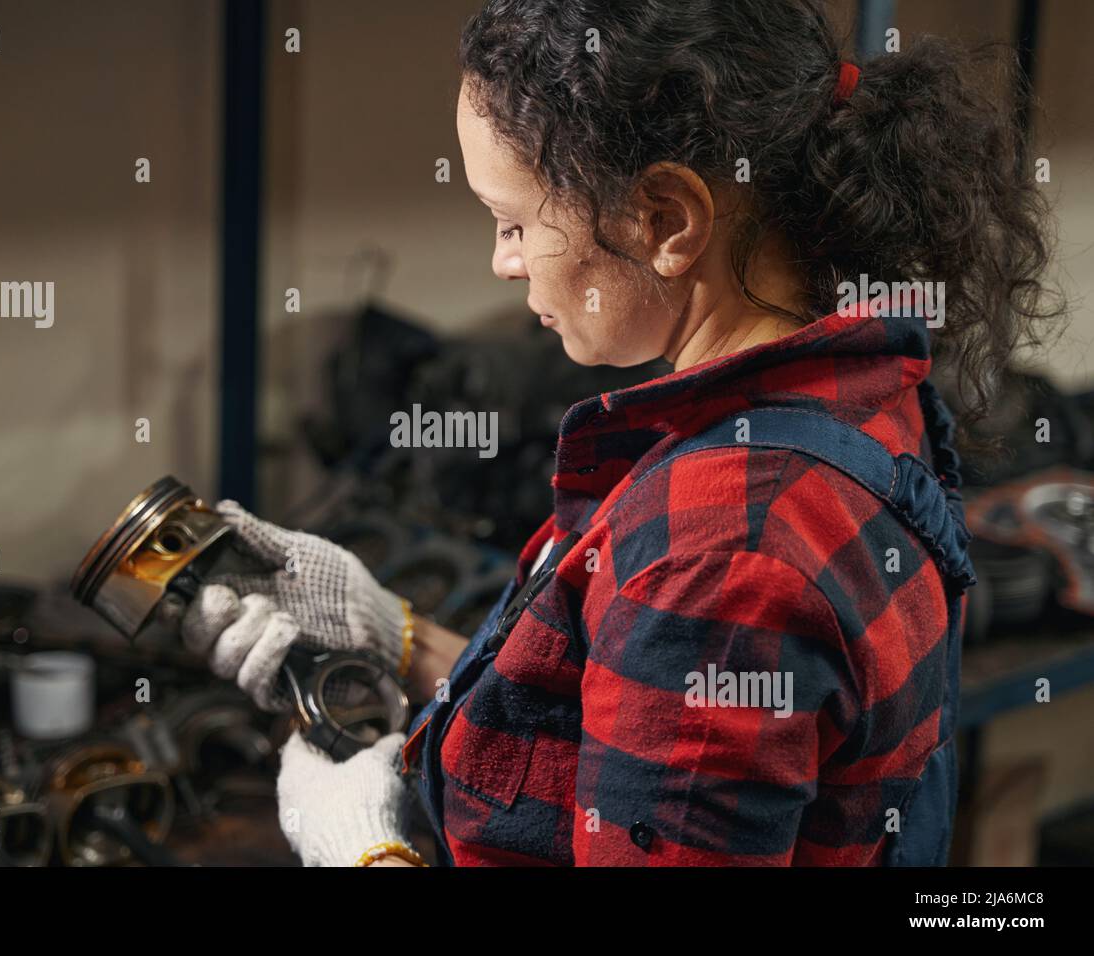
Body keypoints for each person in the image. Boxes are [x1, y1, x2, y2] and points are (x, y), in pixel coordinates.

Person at [183, 0, 1060, 866]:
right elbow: (629, 717)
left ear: (668, 222)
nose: (504, 260)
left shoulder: (723, 550)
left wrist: (363, 851)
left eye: (514, 221)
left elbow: (696, 637)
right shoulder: (859, 392)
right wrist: (395, 632)